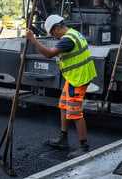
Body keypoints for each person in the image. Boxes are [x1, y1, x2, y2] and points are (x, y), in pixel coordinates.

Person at [25, 15, 97, 158]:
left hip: (78, 79)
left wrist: (32, 39)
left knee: (75, 112)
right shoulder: (74, 33)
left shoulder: (67, 40)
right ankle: (63, 138)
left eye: (53, 33)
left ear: (57, 28)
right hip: (73, 77)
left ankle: (84, 146)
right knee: (63, 105)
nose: (53, 36)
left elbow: (49, 54)